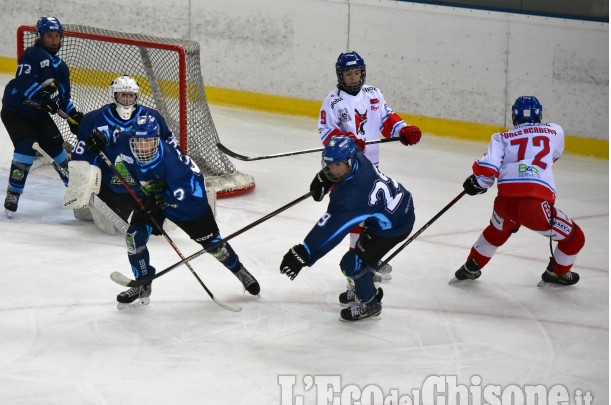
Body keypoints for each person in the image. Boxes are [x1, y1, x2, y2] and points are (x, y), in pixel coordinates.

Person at [85, 115, 260, 308]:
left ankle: (239, 270)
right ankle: (143, 283)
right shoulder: (126, 140)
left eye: (148, 142)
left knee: (215, 247)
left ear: (157, 140)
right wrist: (101, 138)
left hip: (189, 203)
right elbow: (112, 134)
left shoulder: (173, 164)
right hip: (153, 194)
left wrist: (163, 200)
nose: (142, 148)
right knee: (134, 237)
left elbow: (184, 194)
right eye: (139, 142)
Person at [452, 96, 585, 285]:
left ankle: (470, 267)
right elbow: (554, 155)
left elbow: (487, 170)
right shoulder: (555, 130)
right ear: (539, 114)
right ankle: (556, 273)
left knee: (496, 232)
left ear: (514, 115)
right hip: (535, 203)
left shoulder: (501, 137)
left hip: (505, 203)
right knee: (575, 238)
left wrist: (477, 182)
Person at [279, 136, 415, 321]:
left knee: (352, 263)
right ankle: (362, 287)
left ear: (349, 161)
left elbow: (331, 228)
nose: (332, 170)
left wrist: (305, 252)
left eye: (337, 165)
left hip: (394, 225)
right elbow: (350, 147)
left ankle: (370, 303)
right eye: (329, 164)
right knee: (364, 255)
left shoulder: (354, 197)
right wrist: (325, 178)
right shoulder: (357, 158)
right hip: (397, 205)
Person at [317, 51, 422, 279]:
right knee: (357, 217)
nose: (353, 78)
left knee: (376, 213)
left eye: (356, 73)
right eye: (348, 74)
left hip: (372, 169)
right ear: (340, 75)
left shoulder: (373, 94)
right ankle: (356, 267)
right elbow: (326, 132)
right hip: (348, 171)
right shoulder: (332, 100)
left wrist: (402, 129)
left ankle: (368, 257)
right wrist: (348, 143)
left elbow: (387, 118)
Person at [68, 75, 174, 233]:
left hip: (144, 187)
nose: (127, 99)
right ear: (114, 95)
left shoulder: (152, 118)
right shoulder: (93, 119)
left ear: (136, 96)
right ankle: (88, 206)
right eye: (123, 95)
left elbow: (170, 147)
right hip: (111, 187)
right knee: (112, 229)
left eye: (131, 95)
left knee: (156, 227)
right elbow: (79, 159)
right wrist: (93, 153)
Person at [1, 16, 84, 216]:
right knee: (26, 147)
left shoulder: (61, 67)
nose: (54, 40)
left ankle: (76, 192)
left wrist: (73, 115)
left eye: (57, 36)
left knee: (57, 147)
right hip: (16, 111)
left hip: (37, 114)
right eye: (49, 36)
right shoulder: (32, 54)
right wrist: (41, 95)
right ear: (40, 36)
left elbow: (63, 98)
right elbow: (22, 83)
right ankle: (13, 193)